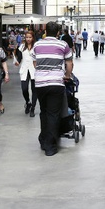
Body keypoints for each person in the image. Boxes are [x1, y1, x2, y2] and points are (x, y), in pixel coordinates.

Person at [31, 21, 73, 156]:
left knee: (43, 112)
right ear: (58, 33)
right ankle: (50, 146)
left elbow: (34, 62)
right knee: (53, 114)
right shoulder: (63, 44)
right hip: (56, 83)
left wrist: (41, 72)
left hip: (40, 84)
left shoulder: (37, 44)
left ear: (45, 31)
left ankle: (43, 140)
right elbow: (69, 63)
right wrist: (66, 75)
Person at [15, 30, 37, 117]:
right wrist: (17, 62)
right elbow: (19, 58)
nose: (28, 39)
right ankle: (28, 102)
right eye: (27, 37)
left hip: (34, 69)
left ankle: (33, 108)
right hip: (24, 69)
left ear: (33, 38)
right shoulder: (22, 47)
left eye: (30, 37)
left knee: (34, 90)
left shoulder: (36, 47)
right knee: (24, 89)